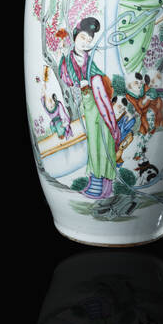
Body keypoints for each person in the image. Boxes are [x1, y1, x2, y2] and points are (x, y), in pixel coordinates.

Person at [59, 18, 119, 198]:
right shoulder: (69, 59)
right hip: (88, 105)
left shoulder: (91, 60)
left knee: (102, 139)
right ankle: (95, 179)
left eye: (89, 40)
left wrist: (92, 83)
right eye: (83, 37)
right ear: (75, 36)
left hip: (98, 103)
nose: (85, 42)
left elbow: (99, 81)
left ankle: (103, 183)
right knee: (94, 140)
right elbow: (67, 79)